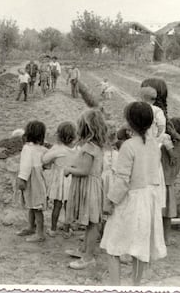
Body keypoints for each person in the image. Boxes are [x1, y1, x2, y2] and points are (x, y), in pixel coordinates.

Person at [100, 102, 167, 286]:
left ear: (130, 122)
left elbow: (122, 180)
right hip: (149, 200)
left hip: (131, 201)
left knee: (113, 245)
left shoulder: (128, 146)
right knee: (140, 247)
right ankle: (135, 286)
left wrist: (109, 201)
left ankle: (116, 286)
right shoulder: (154, 144)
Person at [64, 109, 107, 269]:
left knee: (92, 223)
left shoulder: (89, 147)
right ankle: (85, 250)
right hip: (91, 186)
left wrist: (69, 170)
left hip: (90, 187)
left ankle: (88, 257)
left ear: (84, 128)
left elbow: (85, 171)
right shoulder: (94, 146)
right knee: (91, 223)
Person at [15, 121, 49, 242]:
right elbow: (47, 163)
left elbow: (26, 165)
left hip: (31, 179)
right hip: (39, 179)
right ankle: (31, 227)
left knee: (35, 207)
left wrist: (22, 179)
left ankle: (40, 233)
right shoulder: (42, 149)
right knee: (33, 205)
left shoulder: (27, 148)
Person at [43, 122, 77, 238]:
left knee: (57, 206)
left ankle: (53, 229)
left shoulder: (57, 148)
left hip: (59, 181)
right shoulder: (76, 149)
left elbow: (45, 159)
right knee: (68, 206)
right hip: (70, 180)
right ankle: (67, 231)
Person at [161, 117, 180, 246]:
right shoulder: (166, 142)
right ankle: (165, 238)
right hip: (164, 181)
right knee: (165, 214)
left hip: (166, 182)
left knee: (166, 214)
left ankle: (165, 238)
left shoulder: (174, 145)